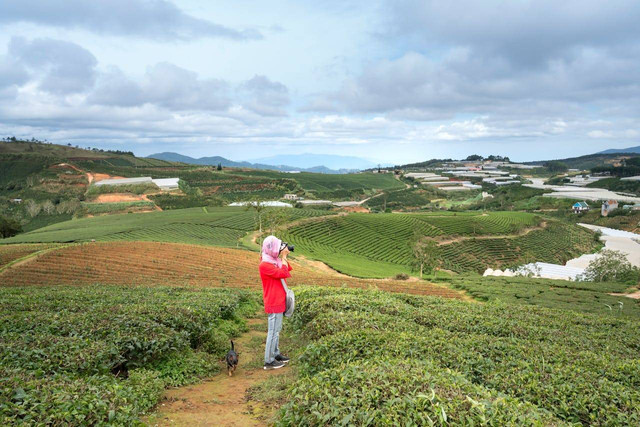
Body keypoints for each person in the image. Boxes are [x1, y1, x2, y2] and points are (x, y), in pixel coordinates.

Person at [259, 235, 292, 370]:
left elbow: (287, 268)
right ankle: (269, 361)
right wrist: (283, 257)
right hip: (273, 301)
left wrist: (283, 256)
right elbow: (283, 273)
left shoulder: (273, 261)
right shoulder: (265, 265)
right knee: (272, 332)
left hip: (279, 300)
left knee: (277, 330)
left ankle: (276, 354)